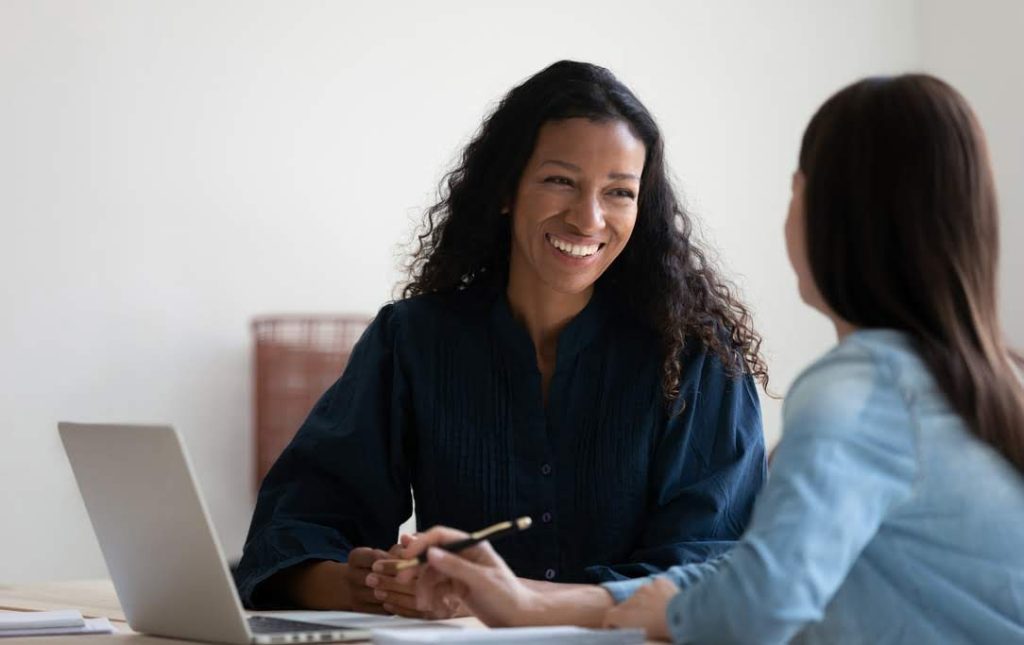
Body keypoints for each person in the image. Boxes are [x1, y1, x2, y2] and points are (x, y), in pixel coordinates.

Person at [392, 74, 1024, 643]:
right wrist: (541, 602)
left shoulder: (858, 391)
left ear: (825, 213)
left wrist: (541, 605)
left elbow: (758, 605)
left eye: (794, 191)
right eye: (560, 180)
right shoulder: (994, 382)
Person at [233, 60, 769, 616]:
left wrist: (497, 597)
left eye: (618, 192)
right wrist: (378, 585)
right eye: (560, 180)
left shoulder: (699, 359)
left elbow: (713, 569)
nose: (588, 219)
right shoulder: (412, 340)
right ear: (506, 189)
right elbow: (288, 535)